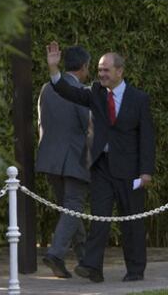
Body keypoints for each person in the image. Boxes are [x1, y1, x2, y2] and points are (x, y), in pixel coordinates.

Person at [46, 41, 155, 282]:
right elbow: (68, 91)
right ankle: (92, 267)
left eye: (106, 70)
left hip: (130, 170)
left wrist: (146, 171)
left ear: (119, 71)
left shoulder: (139, 99)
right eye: (99, 69)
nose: (101, 74)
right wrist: (54, 70)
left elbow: (147, 137)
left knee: (132, 222)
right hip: (101, 167)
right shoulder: (95, 92)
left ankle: (136, 270)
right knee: (100, 218)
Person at [36, 45, 93, 278]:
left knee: (70, 209)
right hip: (75, 158)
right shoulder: (81, 92)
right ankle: (56, 254)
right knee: (74, 207)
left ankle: (85, 259)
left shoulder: (46, 89)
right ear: (84, 67)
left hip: (50, 159)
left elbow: (41, 123)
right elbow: (88, 127)